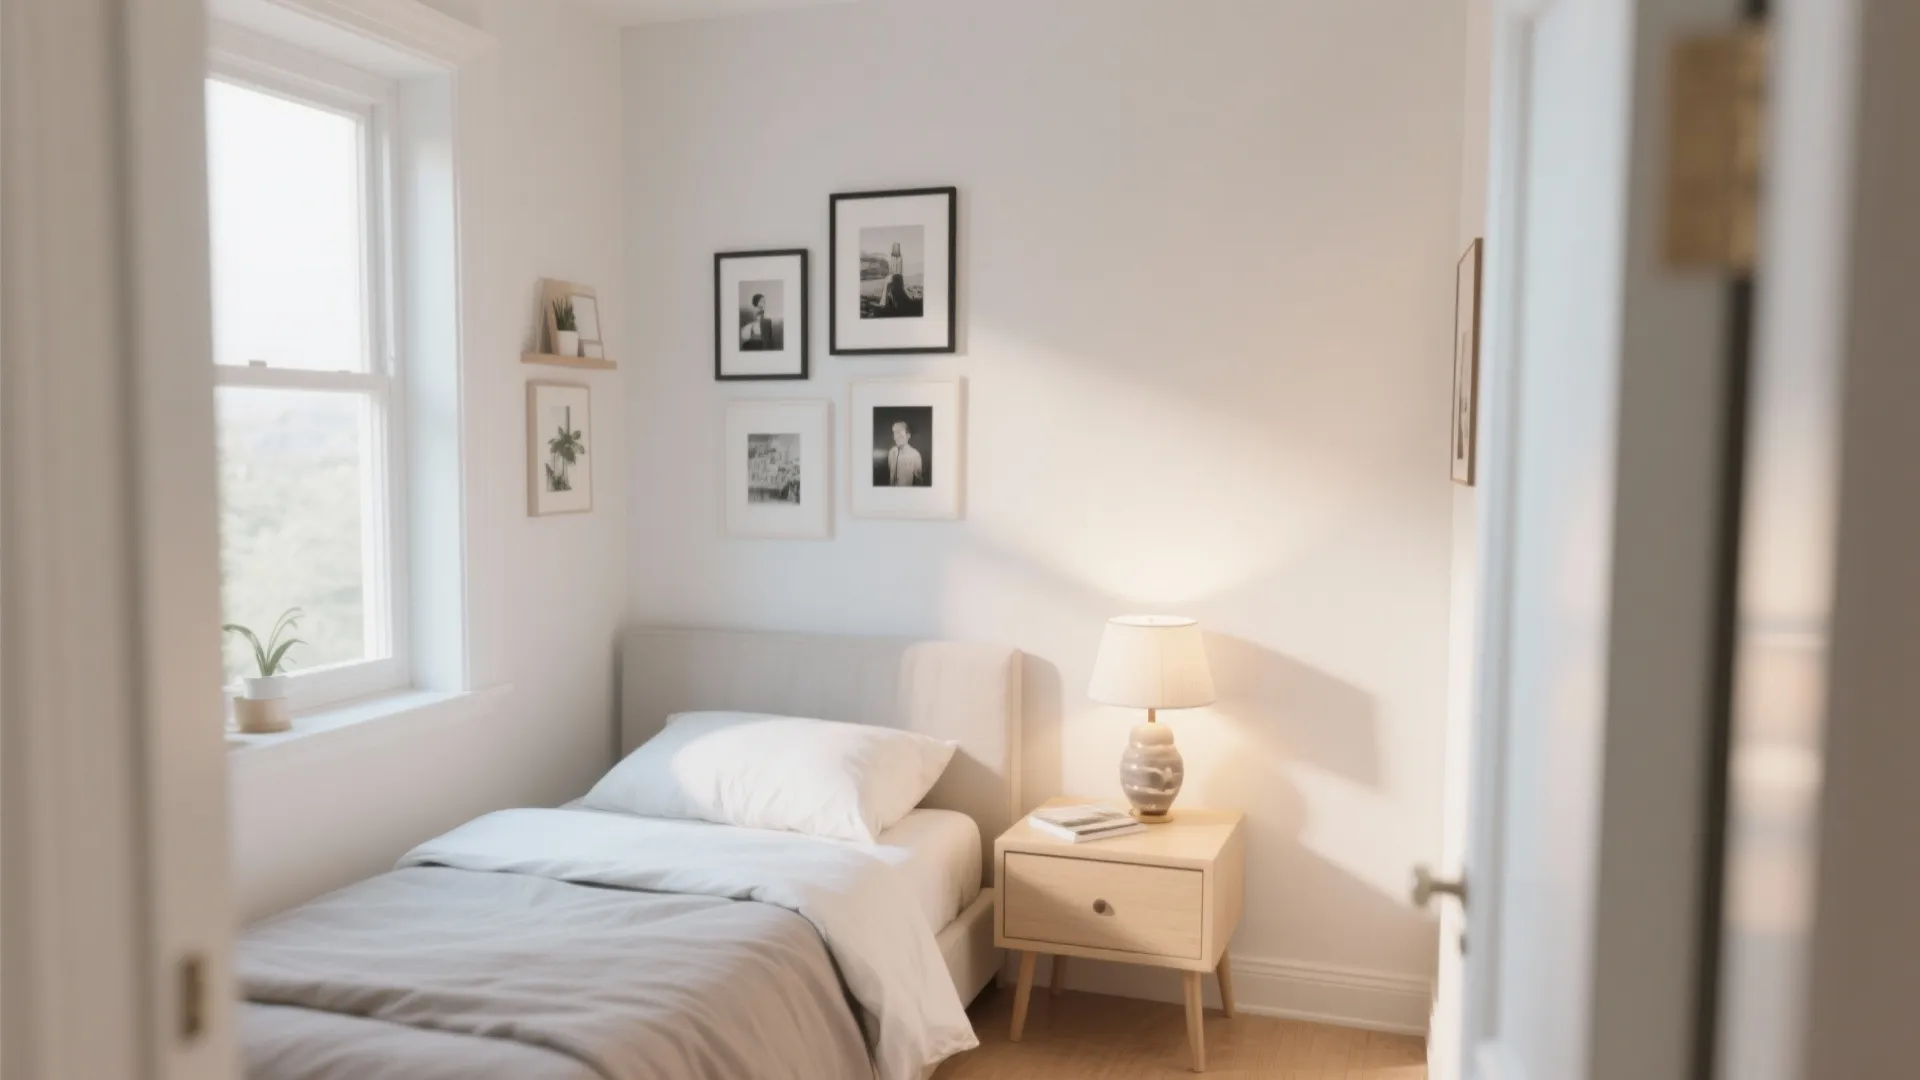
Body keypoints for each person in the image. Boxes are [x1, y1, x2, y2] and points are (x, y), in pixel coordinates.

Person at [886, 420, 923, 486]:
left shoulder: (915, 455)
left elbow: (919, 481)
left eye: (900, 433)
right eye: (895, 433)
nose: (896, 437)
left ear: (908, 435)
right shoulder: (891, 452)